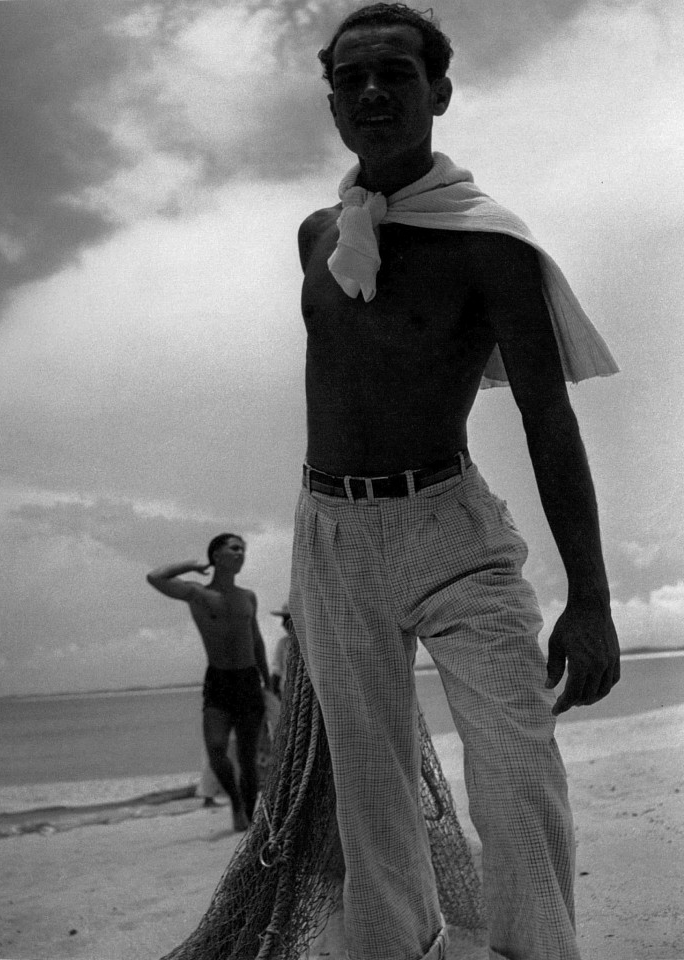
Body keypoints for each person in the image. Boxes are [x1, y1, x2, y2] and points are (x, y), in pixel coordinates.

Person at [288, 5, 621, 960]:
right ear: (334, 102)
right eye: (352, 79)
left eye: (396, 73)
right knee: (371, 786)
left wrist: (591, 598)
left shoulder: (490, 245)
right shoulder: (317, 234)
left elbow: (547, 418)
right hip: (329, 530)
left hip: (451, 526)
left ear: (439, 91)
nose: (374, 92)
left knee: (518, 769)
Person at [147, 533, 271, 832]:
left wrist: (268, 683)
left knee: (247, 755)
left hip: (247, 680)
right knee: (216, 749)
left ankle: (246, 817)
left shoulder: (248, 597)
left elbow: (256, 640)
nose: (241, 553)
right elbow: (155, 577)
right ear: (217, 555)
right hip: (218, 680)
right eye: (234, 548)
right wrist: (190, 566)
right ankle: (236, 802)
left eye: (244, 549)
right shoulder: (198, 594)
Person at [269, 601, 293, 698]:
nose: (282, 624)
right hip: (287, 695)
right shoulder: (283, 643)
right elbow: (277, 671)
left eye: (286, 620)